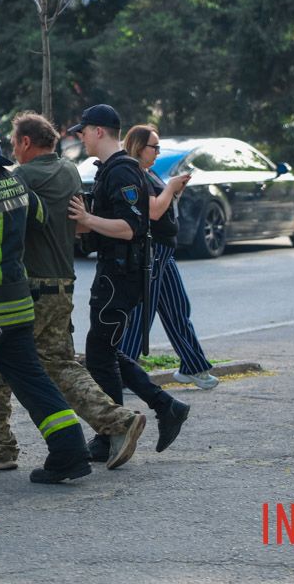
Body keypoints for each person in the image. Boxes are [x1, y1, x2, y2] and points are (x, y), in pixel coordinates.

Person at [0, 111, 147, 471]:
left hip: (32, 286)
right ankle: (119, 421)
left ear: (26, 142)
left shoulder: (22, 177)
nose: (13, 151)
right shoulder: (69, 171)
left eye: (14, 144)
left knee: (0, 365)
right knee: (60, 364)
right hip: (63, 283)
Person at [0, 105, 91, 484]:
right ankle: (70, 451)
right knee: (34, 383)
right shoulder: (15, 182)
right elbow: (41, 219)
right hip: (20, 301)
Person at [67, 105, 189, 454]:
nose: (81, 137)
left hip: (120, 276)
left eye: (84, 130)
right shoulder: (110, 170)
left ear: (99, 131)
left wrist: (88, 220)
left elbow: (130, 228)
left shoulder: (122, 172)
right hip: (114, 273)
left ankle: (113, 433)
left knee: (100, 354)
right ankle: (163, 407)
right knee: (104, 351)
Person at [117, 125, 218, 390]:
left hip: (164, 250)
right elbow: (152, 211)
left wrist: (174, 190)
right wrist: (171, 187)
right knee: (143, 312)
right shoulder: (134, 173)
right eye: (155, 147)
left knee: (177, 308)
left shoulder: (148, 172)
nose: (158, 152)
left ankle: (193, 365)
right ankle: (123, 371)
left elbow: (163, 207)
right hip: (151, 251)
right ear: (139, 147)